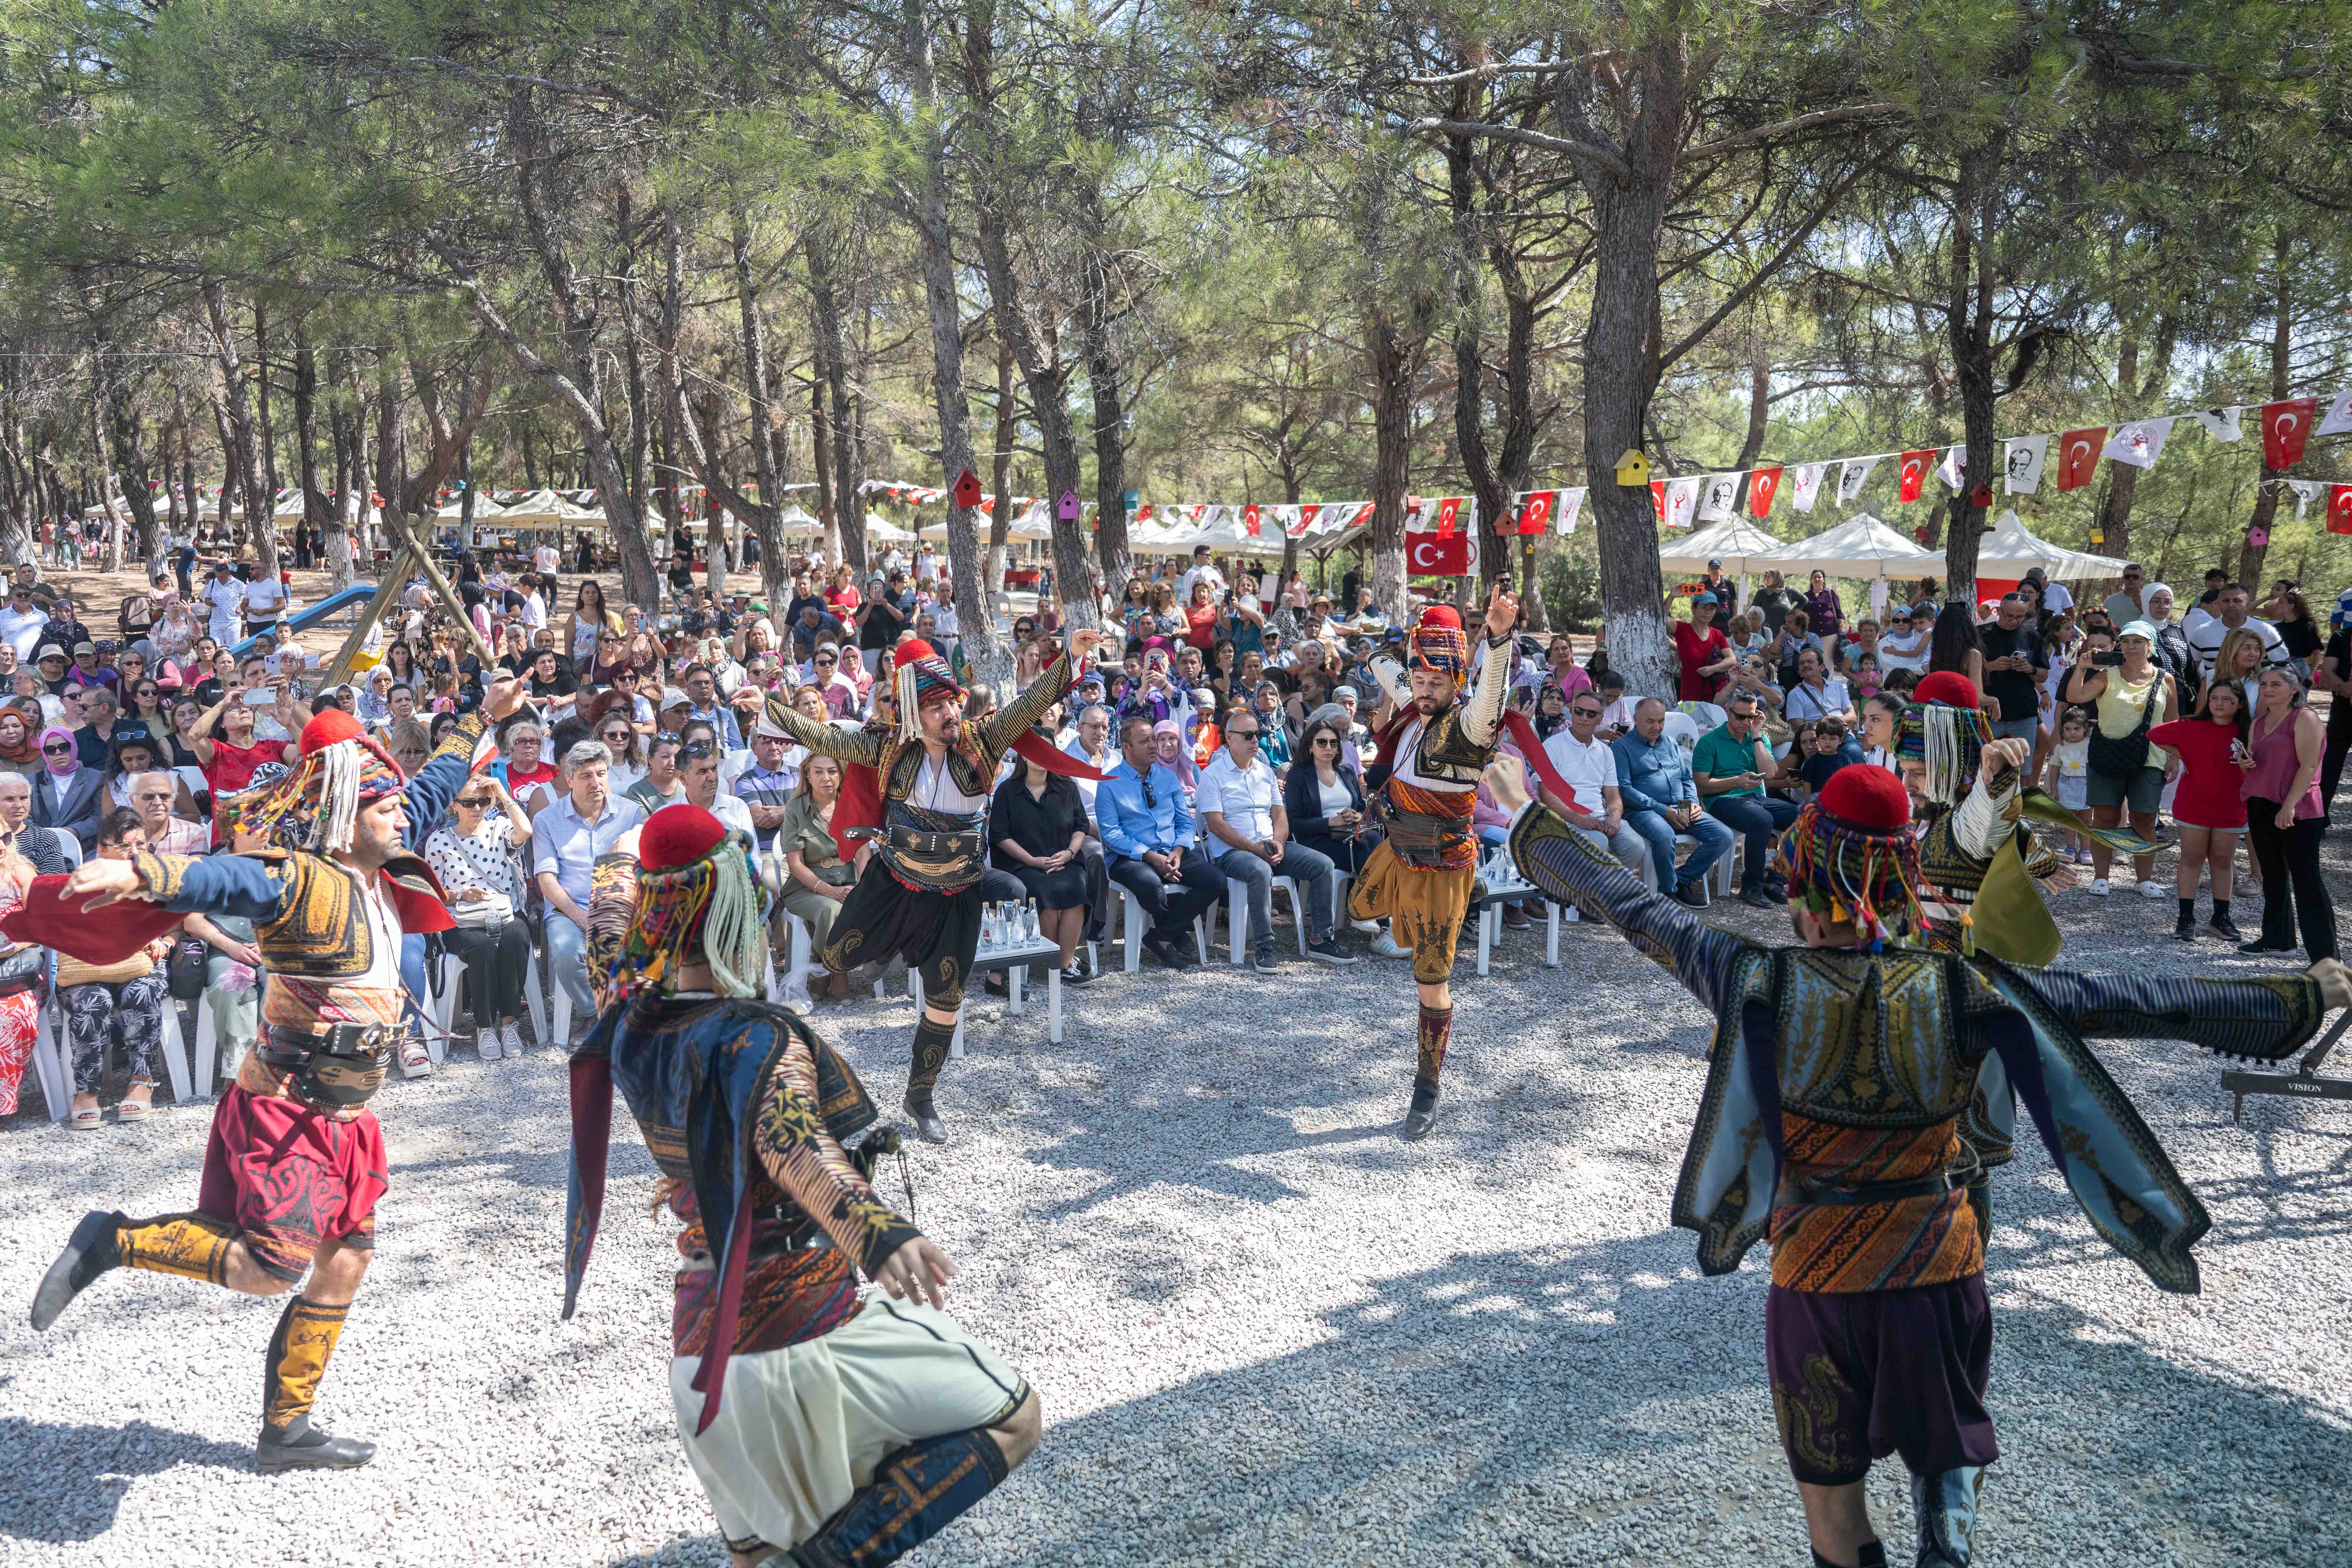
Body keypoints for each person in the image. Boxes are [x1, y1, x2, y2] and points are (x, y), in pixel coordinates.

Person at [1484, 752, 2346, 1568]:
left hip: (1818, 1284)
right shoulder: (1962, 987)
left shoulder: (1753, 979)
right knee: (1950, 1450)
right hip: (1940, 1267)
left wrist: (1531, 815)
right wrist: (2302, 996)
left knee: (1832, 1503)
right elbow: (2129, 1000)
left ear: (1807, 882)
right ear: (1896, 884)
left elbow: (1635, 908)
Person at [26, 691, 509, 1472]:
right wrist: (145, 869)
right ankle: (112, 1239)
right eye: (384, 806)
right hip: (288, 1106)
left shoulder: (385, 854)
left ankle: (287, 1430)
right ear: (348, 811)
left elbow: (438, 777)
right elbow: (223, 881)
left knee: (346, 1256)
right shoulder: (295, 880)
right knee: (269, 1266)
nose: (403, 815)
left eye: (399, 806)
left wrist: (479, 715)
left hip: (350, 1114)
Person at [559, 804, 1041, 1568]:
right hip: (802, 1337)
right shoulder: (758, 1036)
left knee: (753, 1554)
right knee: (1013, 1414)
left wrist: (633, 854)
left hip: (699, 1360)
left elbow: (607, 923)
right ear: (736, 907)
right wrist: (877, 1231)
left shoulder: (627, 1012)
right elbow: (792, 1142)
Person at [762, 630, 1099, 1144]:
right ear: (913, 715)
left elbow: (1032, 702)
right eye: (936, 705)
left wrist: (1072, 658)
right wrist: (769, 706)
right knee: (837, 956)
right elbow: (824, 738)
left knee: (946, 999)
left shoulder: (984, 741)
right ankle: (879, 949)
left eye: (952, 703)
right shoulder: (885, 749)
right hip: (893, 883)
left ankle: (920, 1094)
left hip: (957, 893)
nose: (949, 713)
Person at [1345, 589, 1520, 1141]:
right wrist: (1397, 643)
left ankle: (1426, 1088)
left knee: (1430, 982)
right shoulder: (1414, 700)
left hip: (1440, 869)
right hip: (1397, 849)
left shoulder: (1468, 729)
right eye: (1418, 680)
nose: (1423, 689)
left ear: (1456, 682)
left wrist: (1495, 637)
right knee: (1357, 909)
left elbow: (1490, 695)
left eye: (1436, 682)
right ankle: (1436, 918)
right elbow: (1382, 666)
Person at [1200, 705, 1347, 969]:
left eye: (1257, 735)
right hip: (1232, 853)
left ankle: (1321, 939)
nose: (1255, 741)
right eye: (1247, 736)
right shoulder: (1212, 775)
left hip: (1269, 844)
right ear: (1229, 738)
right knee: (1259, 870)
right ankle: (1264, 946)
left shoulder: (1265, 772)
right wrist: (1254, 849)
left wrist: (1279, 842)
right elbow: (1216, 825)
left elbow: (1280, 814)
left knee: (1323, 864)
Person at [59, 808, 175, 1129]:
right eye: (125, 847)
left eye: (140, 844)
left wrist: (166, 938)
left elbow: (181, 920)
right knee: (92, 1002)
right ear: (103, 850)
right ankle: (86, 1092)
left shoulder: (160, 875)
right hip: (88, 968)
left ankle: (141, 1080)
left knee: (141, 993)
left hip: (140, 966)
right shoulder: (82, 882)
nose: (135, 853)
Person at [534, 740, 649, 1034]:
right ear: (568, 779)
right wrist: (579, 915)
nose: (596, 782)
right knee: (566, 950)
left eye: (601, 774)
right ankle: (593, 1012)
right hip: (567, 908)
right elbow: (547, 879)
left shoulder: (630, 813)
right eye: (586, 776)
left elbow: (640, 871)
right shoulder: (547, 820)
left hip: (619, 905)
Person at [1098, 713, 1226, 968]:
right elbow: (1111, 834)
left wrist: (1178, 851)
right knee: (1151, 883)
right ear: (1126, 747)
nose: (1152, 746)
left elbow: (1185, 822)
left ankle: (1161, 934)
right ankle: (1175, 932)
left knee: (1216, 881)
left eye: (1152, 740)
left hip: (1172, 852)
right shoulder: (1109, 783)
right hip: (1129, 858)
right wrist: (1149, 856)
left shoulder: (1167, 778)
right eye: (1145, 741)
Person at [2060, 620, 2177, 898]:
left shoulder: (2165, 678)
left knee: (2145, 819)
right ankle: (2102, 878)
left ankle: (2144, 879)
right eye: (2126, 641)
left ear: (2151, 646)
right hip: (2107, 754)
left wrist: (2174, 757)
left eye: (2138, 641)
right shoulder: (2107, 675)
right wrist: (2082, 668)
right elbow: (2075, 695)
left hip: (2150, 756)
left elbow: (2173, 722)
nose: (2131, 647)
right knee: (2105, 817)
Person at [425, 775, 535, 1061]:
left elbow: (525, 831)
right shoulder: (439, 841)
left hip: (505, 910)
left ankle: (509, 1023)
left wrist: (501, 792)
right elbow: (433, 892)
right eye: (469, 802)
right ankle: (485, 1026)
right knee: (482, 948)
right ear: (454, 805)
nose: (477, 808)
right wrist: (461, 895)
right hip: (462, 918)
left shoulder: (499, 826)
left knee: (516, 939)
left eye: (483, 801)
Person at [2236, 666, 2338, 960]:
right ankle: (2278, 940)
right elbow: (2262, 760)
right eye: (2264, 684)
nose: (2268, 689)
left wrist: (2289, 806)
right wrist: (2245, 763)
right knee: (2273, 876)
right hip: (2261, 803)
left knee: (2307, 882)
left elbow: (2309, 767)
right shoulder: (2259, 722)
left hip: (2299, 808)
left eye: (2276, 684)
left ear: (2294, 689)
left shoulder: (2305, 718)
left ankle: (2326, 959)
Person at [2146, 681, 2249, 943]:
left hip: (2232, 805)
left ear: (2239, 704)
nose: (2220, 704)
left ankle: (2221, 918)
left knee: (2223, 861)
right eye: (2214, 698)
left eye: (2228, 699)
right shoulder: (2192, 726)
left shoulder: (2249, 730)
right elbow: (2154, 735)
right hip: (2194, 804)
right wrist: (2183, 755)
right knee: (2192, 859)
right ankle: (2186, 918)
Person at [990, 736, 1096, 988]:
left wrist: (1070, 853)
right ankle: (1055, 962)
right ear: (1023, 756)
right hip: (1024, 863)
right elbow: (1000, 836)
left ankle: (1064, 963)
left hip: (1065, 859)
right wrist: (1032, 861)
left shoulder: (1067, 787)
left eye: (1047, 750)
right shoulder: (1008, 791)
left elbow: (1081, 826)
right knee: (1042, 890)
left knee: (1076, 887)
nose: (1041, 756)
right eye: (1035, 750)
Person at [1614, 697, 1734, 908]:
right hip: (1645, 810)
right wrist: (1664, 810)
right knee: (1664, 834)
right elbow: (1624, 790)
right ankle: (1667, 892)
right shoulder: (1622, 748)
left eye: (1660, 721)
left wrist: (1693, 802)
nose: (1657, 727)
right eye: (1650, 721)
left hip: (1681, 806)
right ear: (1635, 719)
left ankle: (1682, 881)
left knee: (1723, 835)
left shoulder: (1669, 743)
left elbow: (1686, 778)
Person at [1693, 694, 1799, 907]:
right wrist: (1736, 782)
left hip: (1755, 798)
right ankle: (1751, 887)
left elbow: (1770, 774)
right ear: (1727, 712)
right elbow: (1702, 786)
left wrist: (1758, 734)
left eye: (1751, 717)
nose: (1746, 723)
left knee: (1804, 817)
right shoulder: (1709, 741)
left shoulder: (1758, 737)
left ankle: (1777, 882)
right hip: (1722, 800)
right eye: (1741, 717)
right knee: (1761, 820)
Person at [1284, 709, 1382, 877]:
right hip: (1319, 840)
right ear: (1310, 747)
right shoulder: (1298, 776)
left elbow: (1361, 808)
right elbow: (1295, 824)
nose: (1328, 748)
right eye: (1322, 743)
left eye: (1334, 743)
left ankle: (1371, 898)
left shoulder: (1347, 772)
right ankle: (1369, 899)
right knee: (1368, 846)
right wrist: (1331, 822)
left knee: (1378, 842)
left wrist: (1358, 816)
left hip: (1352, 833)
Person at [1975, 593, 2044, 743]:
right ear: (1999, 612)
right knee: (1986, 764)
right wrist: (1991, 667)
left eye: (2020, 617)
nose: (2015, 621)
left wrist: (2030, 669)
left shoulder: (2033, 636)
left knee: (2024, 766)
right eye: (2009, 616)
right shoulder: (1980, 634)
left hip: (2024, 715)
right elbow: (1963, 670)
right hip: (1988, 714)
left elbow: (2043, 675)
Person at [2185, 582, 2286, 680]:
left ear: (2247, 604)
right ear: (2218, 603)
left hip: (2256, 695)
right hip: (2214, 694)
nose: (2231, 605)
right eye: (2226, 601)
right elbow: (2192, 668)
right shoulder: (2202, 632)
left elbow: (2283, 666)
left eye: (2237, 601)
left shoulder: (2265, 630)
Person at [31, 722, 106, 850]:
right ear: (44, 754)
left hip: (84, 846)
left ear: (73, 746)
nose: (58, 753)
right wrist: (44, 836)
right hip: (41, 847)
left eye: (64, 747)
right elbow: (26, 818)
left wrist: (73, 831)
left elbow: (98, 816)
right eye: (51, 749)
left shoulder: (96, 778)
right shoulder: (32, 781)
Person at [1673, 593, 1734, 702]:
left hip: (1715, 698)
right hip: (1690, 697)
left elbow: (1732, 659)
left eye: (1712, 609)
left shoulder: (1717, 634)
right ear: (1694, 609)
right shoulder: (1682, 629)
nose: (1708, 612)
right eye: (1704, 608)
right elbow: (1662, 618)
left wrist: (1714, 669)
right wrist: (1671, 596)